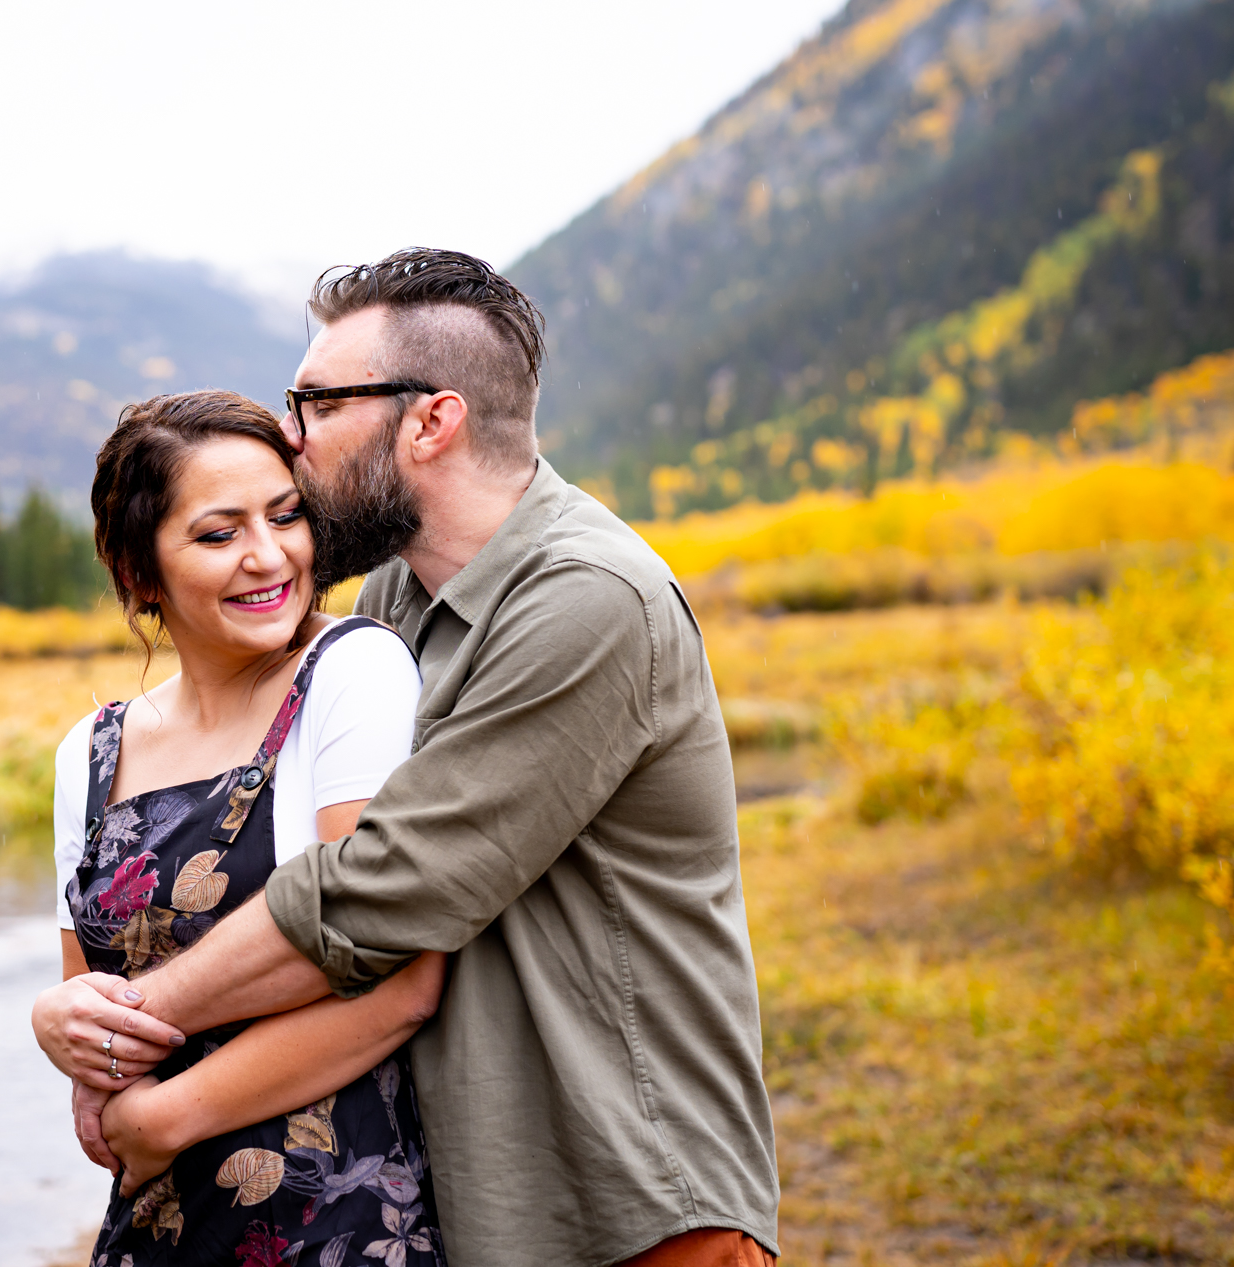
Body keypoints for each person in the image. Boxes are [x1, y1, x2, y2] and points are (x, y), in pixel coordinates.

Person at [38, 250, 779, 1267]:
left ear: (429, 421)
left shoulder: (589, 598)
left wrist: (124, 1028)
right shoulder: (396, 602)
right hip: (483, 1196)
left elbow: (387, 887)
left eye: (315, 403)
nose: (288, 438)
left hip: (628, 1195)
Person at [30, 390, 449, 1265]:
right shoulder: (90, 751)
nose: (270, 557)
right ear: (143, 573)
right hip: (156, 1228)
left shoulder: (353, 673)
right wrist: (54, 1020)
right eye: (219, 534)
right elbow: (99, 1029)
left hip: (337, 1221)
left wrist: (164, 1114)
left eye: (286, 515)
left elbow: (398, 983)